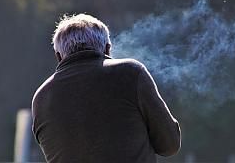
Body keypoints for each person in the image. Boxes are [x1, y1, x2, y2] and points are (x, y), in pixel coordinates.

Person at [32, 13, 181, 163]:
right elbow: (169, 145)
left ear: (58, 57)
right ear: (107, 49)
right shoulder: (131, 73)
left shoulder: (41, 97)